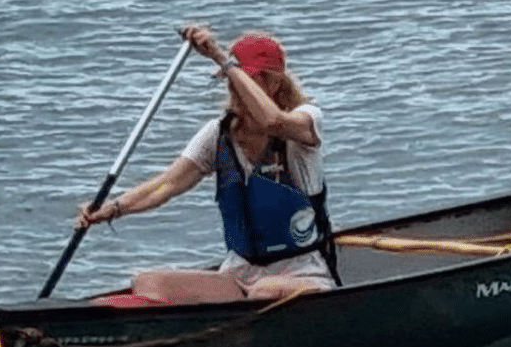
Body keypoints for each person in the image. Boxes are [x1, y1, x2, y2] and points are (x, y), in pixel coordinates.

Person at [76, 25, 337, 303]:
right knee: (148, 283)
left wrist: (220, 57)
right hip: (239, 273)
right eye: (230, 80)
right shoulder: (218, 134)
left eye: (243, 81)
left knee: (265, 292)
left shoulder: (306, 121)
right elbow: (167, 184)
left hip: (302, 274)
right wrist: (110, 210)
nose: (234, 89)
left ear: (272, 84)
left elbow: (273, 120)